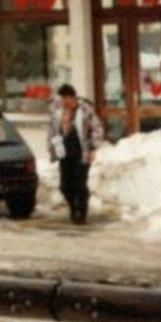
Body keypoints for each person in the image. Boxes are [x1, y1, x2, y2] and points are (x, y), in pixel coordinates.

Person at [47, 83, 104, 225]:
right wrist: (51, 148)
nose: (64, 102)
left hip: (81, 152)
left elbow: (98, 129)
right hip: (64, 152)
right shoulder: (58, 110)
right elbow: (52, 131)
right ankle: (73, 207)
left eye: (66, 98)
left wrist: (92, 147)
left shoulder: (85, 110)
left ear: (73, 97)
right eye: (62, 98)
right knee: (65, 185)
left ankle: (81, 212)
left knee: (79, 184)